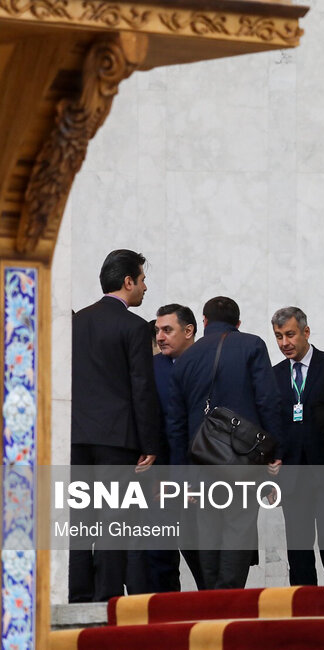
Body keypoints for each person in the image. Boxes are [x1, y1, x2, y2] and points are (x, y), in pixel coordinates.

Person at [166, 296, 283, 589]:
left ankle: (211, 600)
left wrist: (183, 476)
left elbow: (176, 424)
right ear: (238, 323)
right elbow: (268, 401)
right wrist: (274, 453)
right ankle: (229, 600)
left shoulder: (185, 359)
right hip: (243, 461)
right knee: (238, 530)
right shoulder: (252, 345)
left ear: (204, 322)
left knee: (207, 532)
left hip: (201, 462)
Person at [70, 249, 160, 602]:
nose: (145, 288)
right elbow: (142, 388)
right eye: (142, 280)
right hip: (117, 441)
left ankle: (77, 597)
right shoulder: (135, 327)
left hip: (77, 438)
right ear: (128, 282)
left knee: (80, 522)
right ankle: (106, 599)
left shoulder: (76, 322)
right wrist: (150, 444)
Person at [270, 306, 324, 586]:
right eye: (278, 337)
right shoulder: (273, 375)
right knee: (298, 551)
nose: (284, 343)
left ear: (306, 332)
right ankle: (303, 611)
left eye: (290, 334)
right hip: (292, 475)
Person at [148, 303, 204, 591]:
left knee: (203, 556)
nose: (160, 337)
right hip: (160, 481)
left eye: (167, 330)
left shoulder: (207, 363)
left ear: (189, 330)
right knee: (161, 557)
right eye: (158, 330)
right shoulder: (152, 367)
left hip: (200, 480)